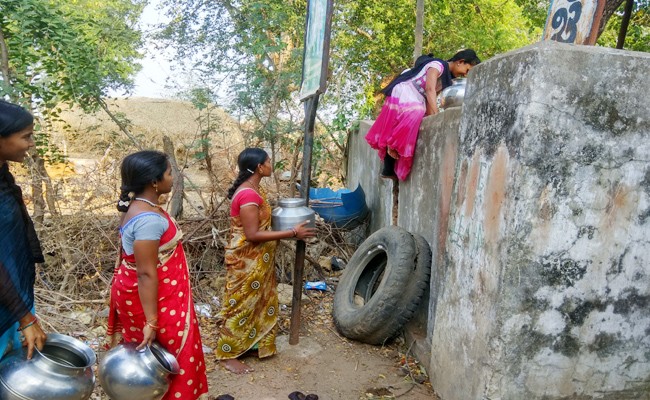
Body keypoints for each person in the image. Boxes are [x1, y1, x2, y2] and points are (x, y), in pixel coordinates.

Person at [107, 150, 208, 399]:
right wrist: (152, 322)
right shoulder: (148, 219)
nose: (173, 178)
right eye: (169, 173)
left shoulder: (141, 207)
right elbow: (145, 272)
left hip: (142, 294)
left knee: (149, 358)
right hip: (152, 298)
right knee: (166, 357)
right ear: (154, 181)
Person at [215, 148, 316, 374]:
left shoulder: (253, 190)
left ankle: (250, 344)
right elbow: (252, 235)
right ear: (260, 167)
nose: (272, 165)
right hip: (246, 261)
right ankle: (227, 354)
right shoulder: (249, 195)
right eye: (269, 161)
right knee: (241, 304)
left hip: (257, 260)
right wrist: (292, 233)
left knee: (258, 302)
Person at [365, 49, 481, 181]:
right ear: (460, 62)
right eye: (467, 71)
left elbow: (430, 98)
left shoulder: (448, 80)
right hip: (406, 90)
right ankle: (393, 144)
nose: (465, 75)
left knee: (421, 115)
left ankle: (391, 160)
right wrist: (438, 115)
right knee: (417, 111)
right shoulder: (437, 65)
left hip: (417, 97)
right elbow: (429, 89)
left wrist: (434, 119)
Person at [0, 100, 47, 361]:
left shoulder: (3, 177)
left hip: (9, 296)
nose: (31, 144)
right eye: (26, 137)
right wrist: (25, 318)